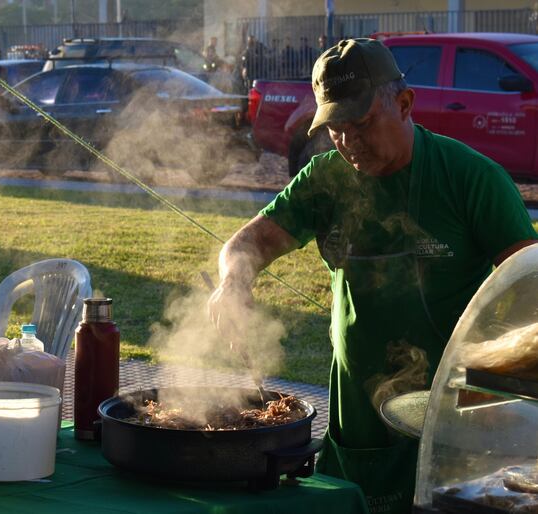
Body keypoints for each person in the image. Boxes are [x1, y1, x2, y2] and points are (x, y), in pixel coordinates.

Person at [208, 38, 537, 514]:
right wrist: (233, 282)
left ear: (405, 104)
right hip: (357, 424)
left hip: (455, 422)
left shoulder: (471, 179)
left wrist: (496, 376)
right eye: (336, 128)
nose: (348, 141)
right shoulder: (324, 180)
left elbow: (527, 287)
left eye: (360, 123)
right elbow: (246, 245)